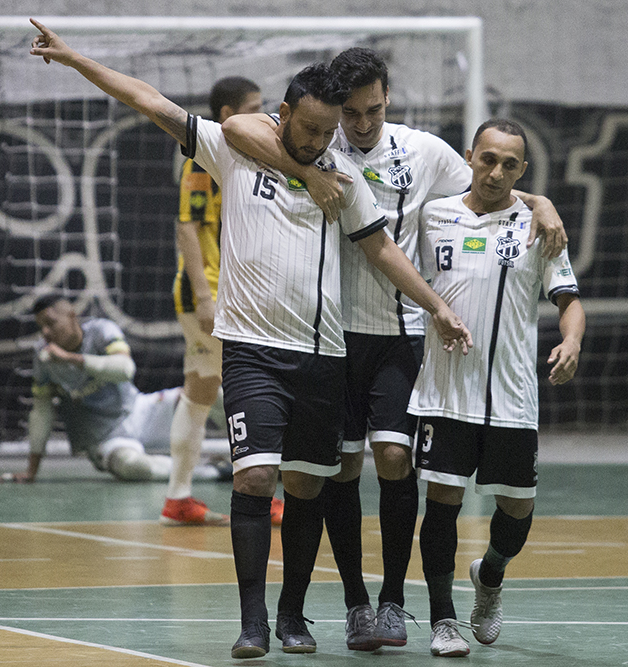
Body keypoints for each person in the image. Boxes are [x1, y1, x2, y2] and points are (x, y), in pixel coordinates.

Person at [27, 19, 472, 659]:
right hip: (253, 352)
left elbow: (382, 250)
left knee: (307, 486)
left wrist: (435, 307)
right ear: (283, 114)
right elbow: (150, 100)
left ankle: (294, 615)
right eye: (312, 129)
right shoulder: (236, 149)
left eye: (330, 133)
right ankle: (253, 622)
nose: (322, 142)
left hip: (324, 355)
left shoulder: (342, 178)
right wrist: (75, 60)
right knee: (253, 478)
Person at [220, 46, 569, 651]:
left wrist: (542, 202)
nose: (359, 125)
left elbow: (496, 187)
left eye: (372, 112)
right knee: (341, 468)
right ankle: (356, 603)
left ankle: (392, 602)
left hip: (402, 331)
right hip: (330, 335)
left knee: (393, 459)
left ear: (388, 101)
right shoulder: (314, 147)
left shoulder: (424, 151)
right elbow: (241, 127)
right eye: (349, 113)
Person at [409, 119, 584, 657]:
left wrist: (572, 340)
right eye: (487, 159)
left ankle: (490, 576)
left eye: (510, 164)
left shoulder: (539, 224)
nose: (496, 171)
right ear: (470, 157)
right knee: (442, 501)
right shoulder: (432, 216)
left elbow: (569, 299)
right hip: (445, 389)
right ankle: (442, 619)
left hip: (511, 394)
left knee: (517, 508)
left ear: (522, 171)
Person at [166, 76, 272, 526]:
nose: (264, 114)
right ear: (227, 115)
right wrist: (207, 297)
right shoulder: (201, 157)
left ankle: (179, 498)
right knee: (252, 386)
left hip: (224, 293)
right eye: (254, 107)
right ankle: (252, 493)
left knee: (201, 389)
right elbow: (187, 226)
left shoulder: (239, 154)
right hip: (209, 295)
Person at [0, 295, 231, 486]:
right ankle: (214, 471)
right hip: (106, 440)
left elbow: (125, 369)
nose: (45, 332)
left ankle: (246, 456)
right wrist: (31, 471)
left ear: (72, 316)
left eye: (51, 323)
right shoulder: (44, 358)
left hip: (139, 411)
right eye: (41, 327)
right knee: (134, 467)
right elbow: (41, 412)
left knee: (211, 390)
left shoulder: (100, 331)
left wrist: (73, 359)